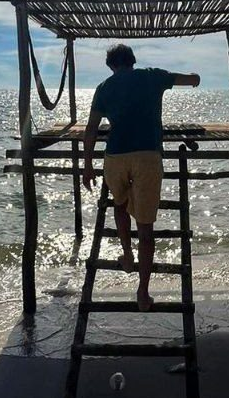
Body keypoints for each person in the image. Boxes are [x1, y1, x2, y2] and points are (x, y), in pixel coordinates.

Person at [82, 45, 200, 310]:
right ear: (132, 61)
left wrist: (87, 166)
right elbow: (191, 79)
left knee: (120, 204)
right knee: (146, 230)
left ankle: (127, 254)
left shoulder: (104, 88)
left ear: (110, 65)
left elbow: (91, 130)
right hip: (148, 156)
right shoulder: (152, 76)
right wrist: (195, 78)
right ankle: (143, 293)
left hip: (116, 156)